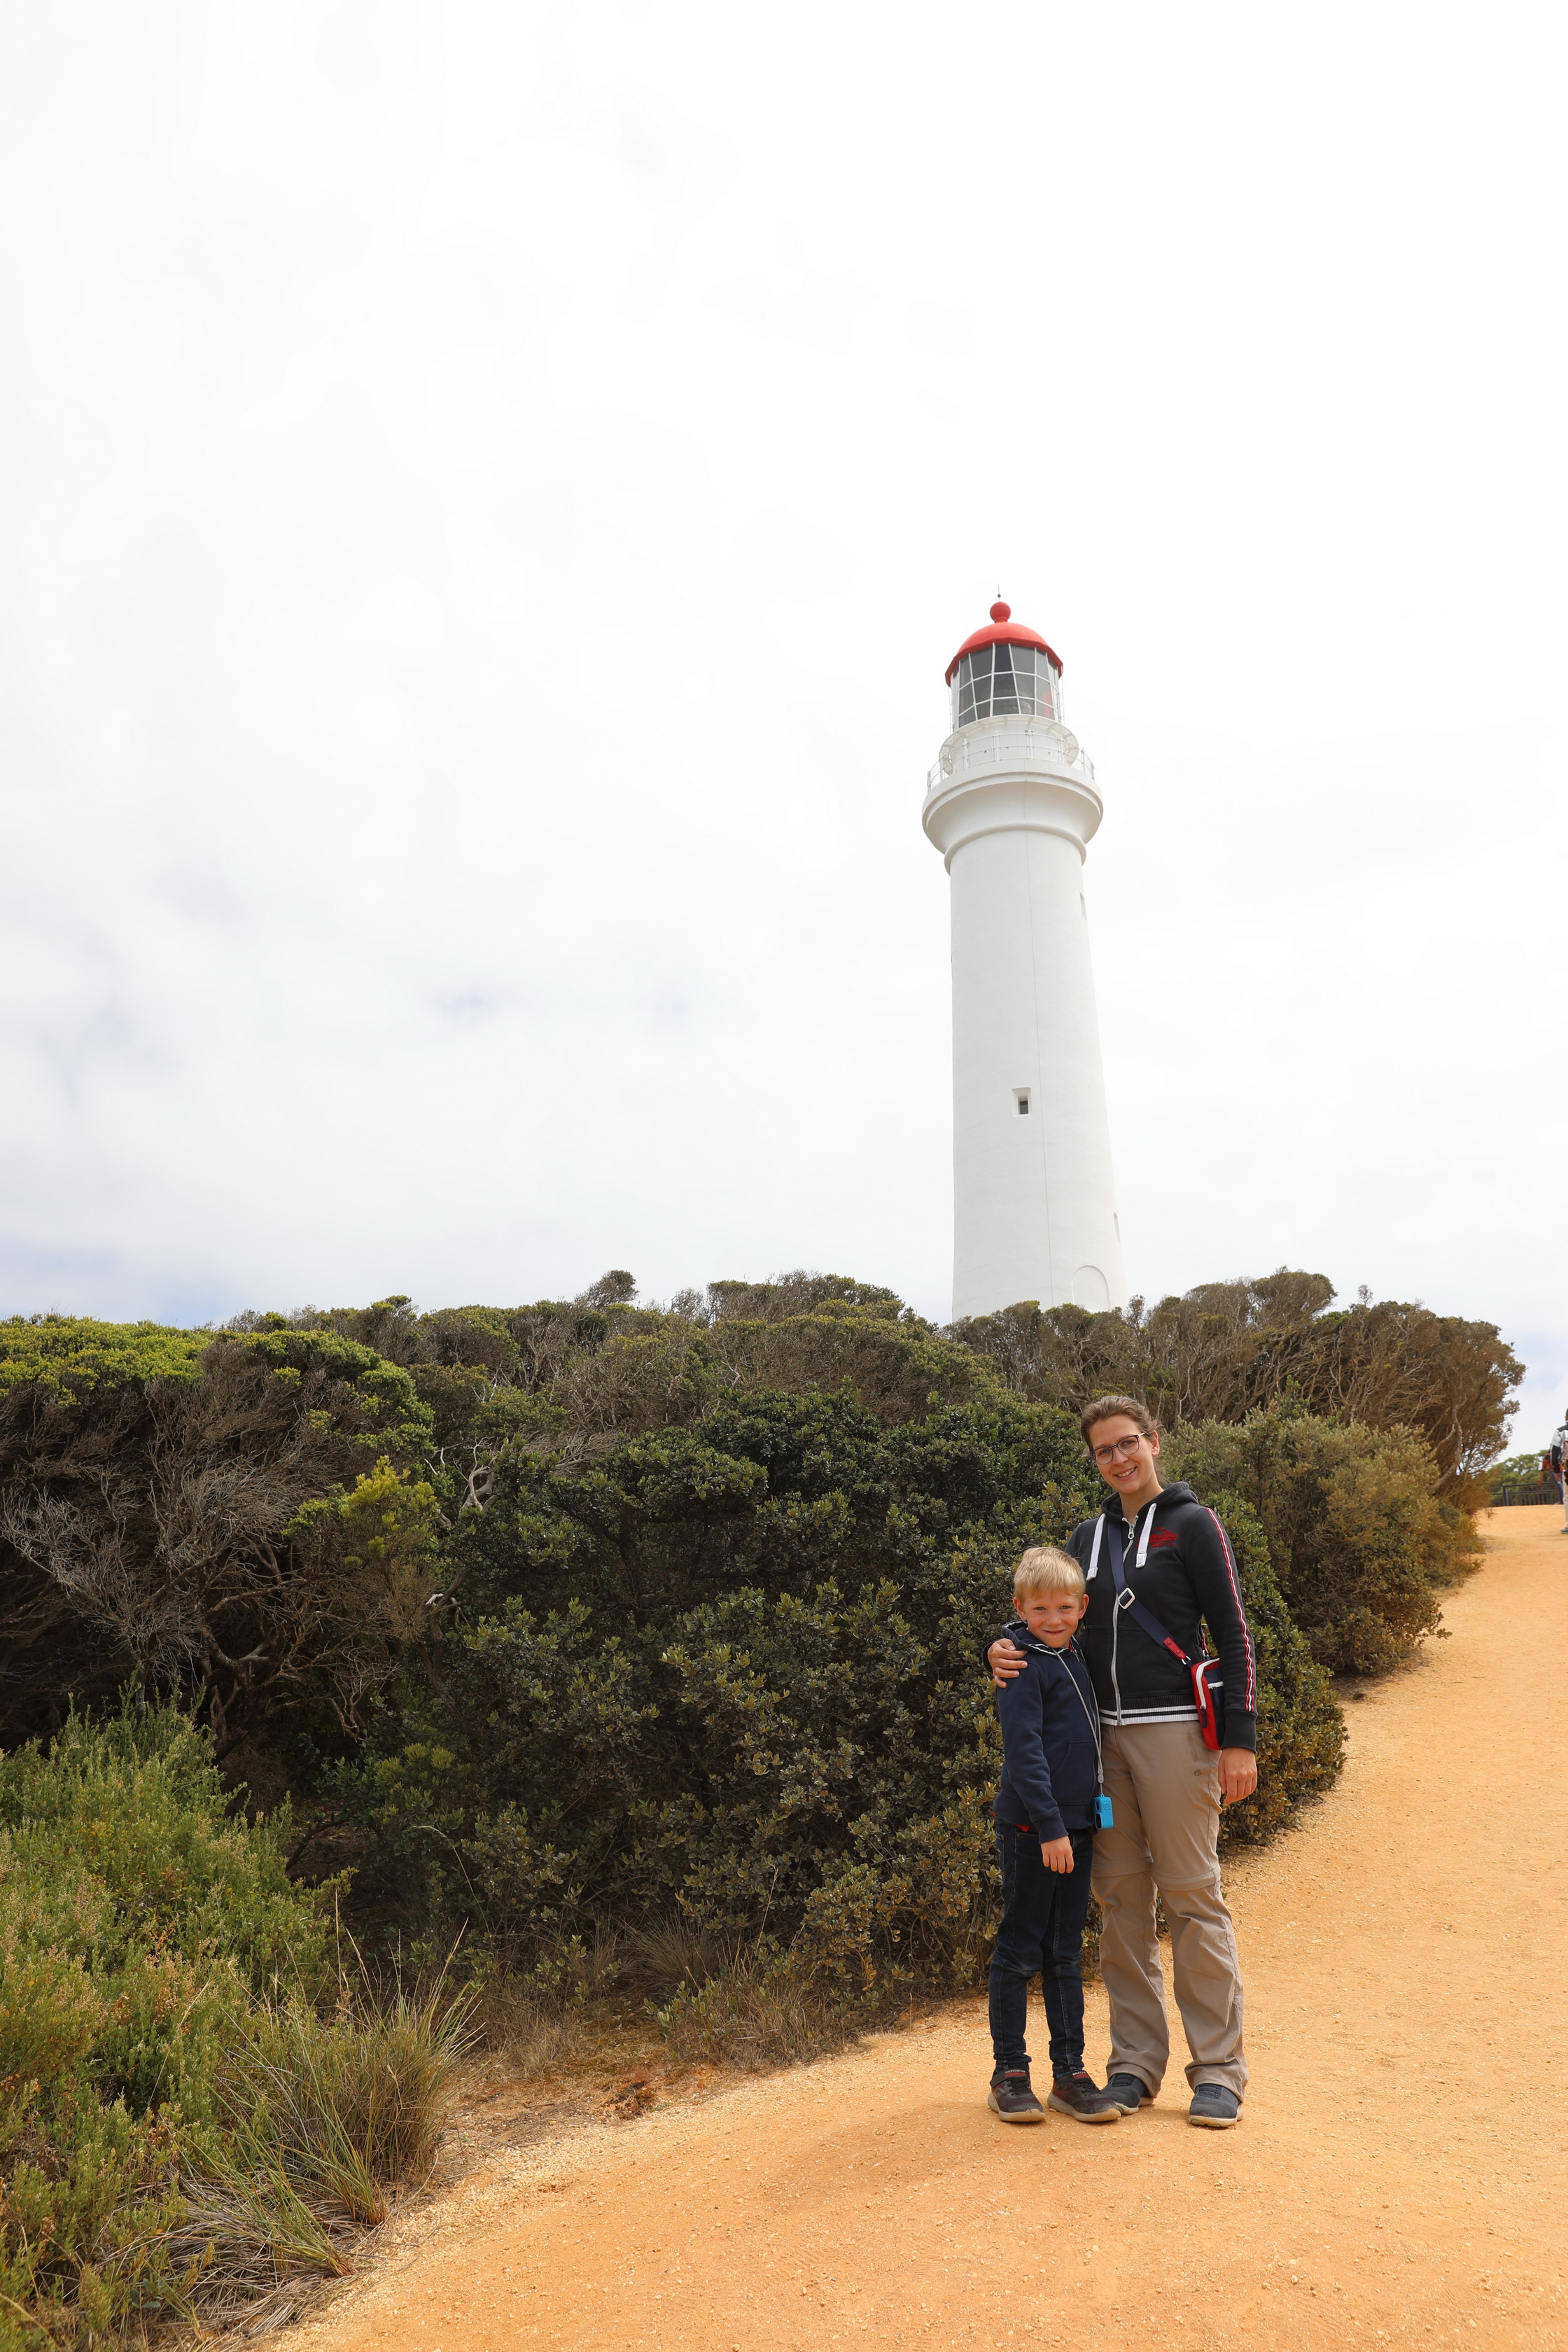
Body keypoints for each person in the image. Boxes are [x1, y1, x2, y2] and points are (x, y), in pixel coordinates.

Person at [986, 1395, 1257, 2129]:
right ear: (1094, 1459)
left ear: (1152, 1442)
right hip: (1099, 1746)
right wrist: (1000, 1649)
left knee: (1192, 1898)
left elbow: (1232, 1631)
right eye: (1103, 1450)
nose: (1118, 1458)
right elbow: (1052, 1622)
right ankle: (1133, 2067)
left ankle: (1218, 2072)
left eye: (1127, 1443)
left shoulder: (1192, 1525)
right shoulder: (1088, 1534)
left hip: (1176, 1735)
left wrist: (1241, 1738)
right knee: (1120, 1905)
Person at [986, 1546, 1121, 2127]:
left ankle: (1070, 2074)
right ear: (1020, 1609)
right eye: (1039, 1609)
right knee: (1020, 1949)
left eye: (1065, 1607)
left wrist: (1072, 1826)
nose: (1054, 1618)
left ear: (1082, 1607)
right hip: (1033, 1830)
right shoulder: (1020, 1665)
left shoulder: (1078, 1652)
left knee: (1065, 1952)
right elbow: (1025, 1755)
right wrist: (1049, 1828)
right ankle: (1010, 2073)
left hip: (1079, 1826)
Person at [1552, 1412, 1568, 1532]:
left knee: (1567, 1497)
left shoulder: (1560, 1431)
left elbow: (1555, 1450)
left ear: (1566, 1417)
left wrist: (1556, 1468)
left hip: (1567, 1466)